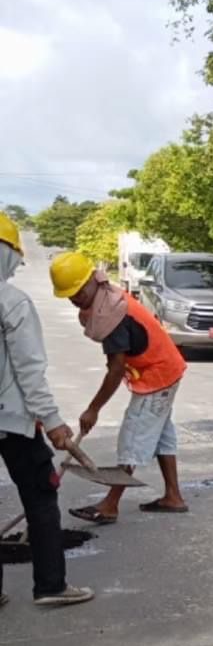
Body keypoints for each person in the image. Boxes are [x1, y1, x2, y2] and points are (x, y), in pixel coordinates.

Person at [50, 251, 189, 524]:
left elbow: (116, 368)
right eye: (69, 294)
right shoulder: (104, 297)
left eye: (79, 290)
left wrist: (93, 409)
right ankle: (173, 496)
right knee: (161, 434)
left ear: (93, 279)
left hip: (158, 374)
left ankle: (110, 505)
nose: (75, 298)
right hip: (165, 367)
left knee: (133, 435)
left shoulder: (110, 314)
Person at [0, 214, 93, 607]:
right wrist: (53, 423)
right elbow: (29, 371)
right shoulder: (12, 302)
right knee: (40, 498)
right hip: (12, 422)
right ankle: (51, 586)